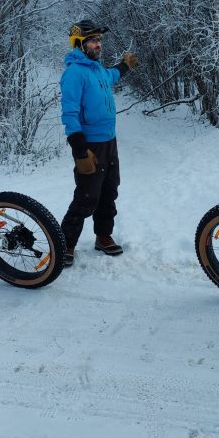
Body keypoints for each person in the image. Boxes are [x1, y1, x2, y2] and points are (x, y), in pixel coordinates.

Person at [59, 20, 138, 267]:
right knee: (86, 196)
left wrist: (125, 66)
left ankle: (103, 236)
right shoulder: (74, 73)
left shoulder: (97, 69)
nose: (98, 45)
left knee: (109, 191)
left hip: (109, 142)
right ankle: (65, 243)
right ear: (80, 44)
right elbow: (69, 112)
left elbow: (112, 76)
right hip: (89, 145)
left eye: (99, 41)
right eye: (93, 40)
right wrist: (78, 146)